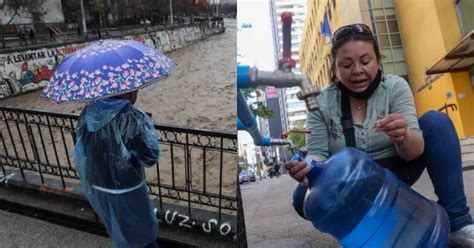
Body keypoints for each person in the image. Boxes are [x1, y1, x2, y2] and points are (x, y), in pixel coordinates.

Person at [284, 23, 474, 247]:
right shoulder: (320, 102)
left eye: (365, 61)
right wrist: (306, 168)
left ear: (377, 61)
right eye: (346, 64)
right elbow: (317, 155)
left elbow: (415, 150)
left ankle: (458, 222)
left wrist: (403, 137)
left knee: (436, 122)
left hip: (398, 169)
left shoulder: (395, 87)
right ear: (334, 68)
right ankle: (364, 228)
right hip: (353, 185)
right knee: (301, 197)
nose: (357, 70)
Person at [73, 90, 160, 248]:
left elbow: (81, 148)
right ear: (130, 92)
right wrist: (147, 129)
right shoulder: (131, 116)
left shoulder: (87, 112)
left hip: (98, 185)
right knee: (143, 237)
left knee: (120, 233)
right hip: (127, 188)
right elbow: (150, 157)